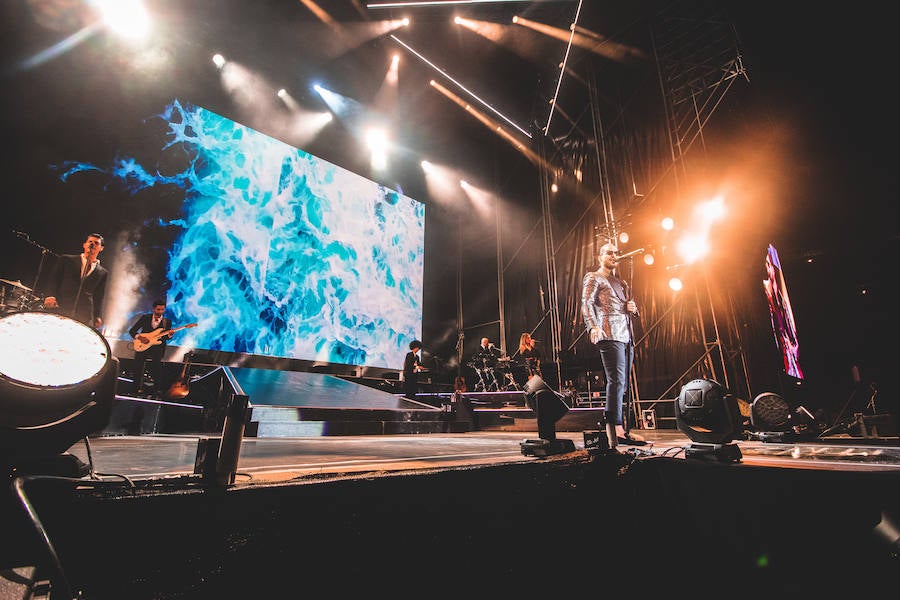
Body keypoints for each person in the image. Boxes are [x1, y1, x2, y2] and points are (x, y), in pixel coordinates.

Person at [581, 242, 646, 449]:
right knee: (616, 381)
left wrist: (633, 308)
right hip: (608, 333)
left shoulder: (621, 282)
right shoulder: (594, 277)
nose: (614, 255)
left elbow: (627, 307)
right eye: (609, 252)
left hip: (626, 335)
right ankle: (615, 429)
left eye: (616, 253)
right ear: (600, 256)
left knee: (623, 383)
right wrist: (592, 326)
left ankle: (622, 428)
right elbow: (586, 303)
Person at [40, 233, 108, 328]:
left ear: (101, 248)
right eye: (90, 242)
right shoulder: (67, 259)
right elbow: (54, 279)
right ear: (84, 245)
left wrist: (97, 315)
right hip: (61, 305)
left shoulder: (102, 272)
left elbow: (99, 296)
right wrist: (50, 295)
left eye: (96, 243)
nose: (92, 244)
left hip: (83, 312)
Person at [128, 300, 173, 398]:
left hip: (157, 347)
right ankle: (135, 389)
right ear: (153, 309)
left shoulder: (167, 322)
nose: (160, 311)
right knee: (138, 367)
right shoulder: (145, 318)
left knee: (156, 368)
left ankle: (156, 390)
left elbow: (164, 338)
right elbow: (132, 331)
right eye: (158, 309)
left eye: (162, 309)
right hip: (143, 346)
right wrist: (140, 337)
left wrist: (169, 336)